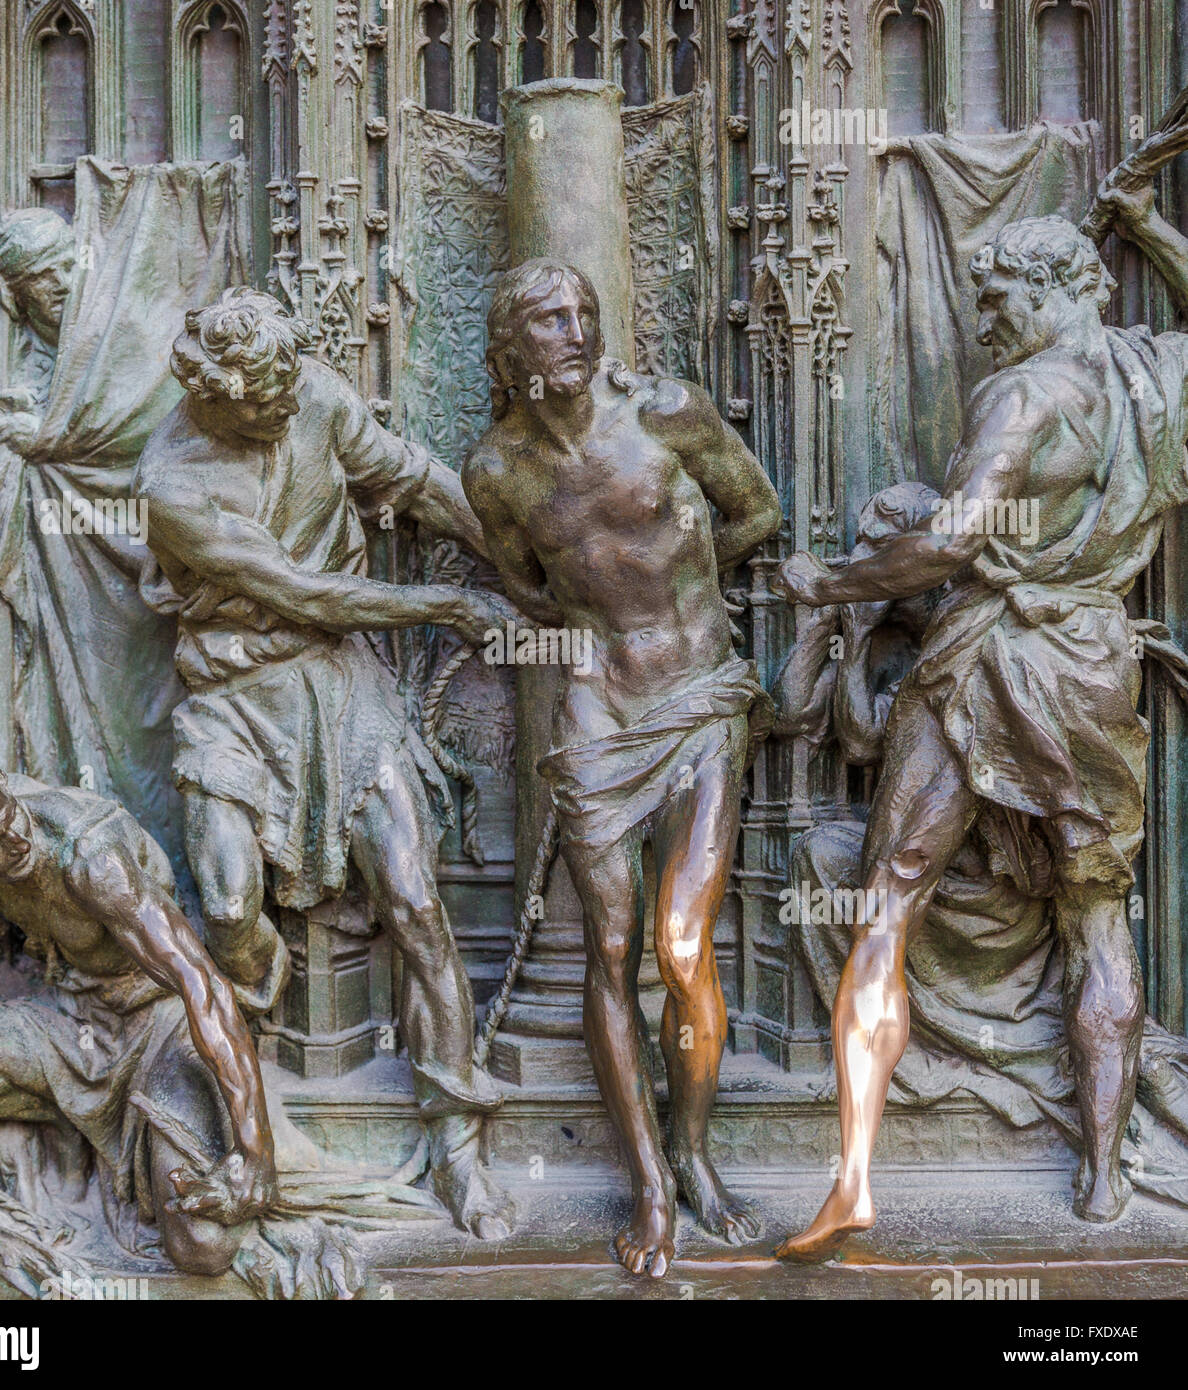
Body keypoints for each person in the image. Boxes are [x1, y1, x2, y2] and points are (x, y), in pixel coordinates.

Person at [773, 187, 1188, 1259]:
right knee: (1097, 917)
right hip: (1092, 665)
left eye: (997, 296)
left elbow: (948, 544)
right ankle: (1100, 1175)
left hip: (986, 659)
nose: (985, 319)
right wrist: (1147, 227)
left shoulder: (1025, 392)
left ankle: (853, 1173)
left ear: (1055, 288)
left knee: (887, 898)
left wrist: (830, 582)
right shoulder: (1157, 378)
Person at [133, 288, 520, 1238]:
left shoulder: (303, 388)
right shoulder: (176, 483)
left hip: (339, 689)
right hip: (231, 694)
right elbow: (301, 590)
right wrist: (447, 605)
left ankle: (457, 1142)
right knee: (225, 908)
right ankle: (248, 1071)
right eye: (263, 402)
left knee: (416, 901)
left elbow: (412, 478)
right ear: (215, 401)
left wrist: (521, 565)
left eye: (286, 387)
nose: (285, 406)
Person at [463, 258, 782, 1277]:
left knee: (682, 942)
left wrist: (679, 586)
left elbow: (757, 512)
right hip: (600, 709)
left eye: (585, 311)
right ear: (511, 348)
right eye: (551, 318)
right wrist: (608, 626)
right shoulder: (495, 471)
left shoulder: (667, 411)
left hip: (695, 695)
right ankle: (649, 1182)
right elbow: (525, 587)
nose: (575, 328)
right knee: (608, 946)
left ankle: (693, 1151)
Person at [0, 757, 275, 1276]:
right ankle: (81, 1120)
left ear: (6, 798)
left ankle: (113, 1132)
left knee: (202, 1246)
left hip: (161, 1024)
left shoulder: (92, 857)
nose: (17, 847)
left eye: (11, 825)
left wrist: (256, 1153)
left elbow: (202, 987)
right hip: (70, 1021)